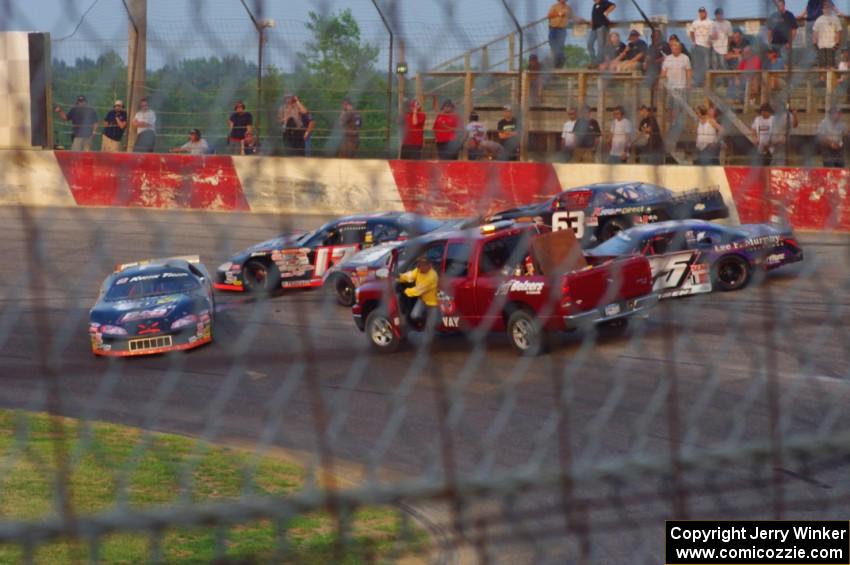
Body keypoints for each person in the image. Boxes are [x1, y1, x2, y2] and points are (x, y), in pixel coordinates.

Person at [398, 257, 439, 325]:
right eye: (420, 264)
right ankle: (422, 323)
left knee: (431, 324)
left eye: (424, 264)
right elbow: (410, 276)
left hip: (432, 303)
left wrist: (405, 291)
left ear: (429, 265)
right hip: (422, 299)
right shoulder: (418, 270)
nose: (421, 266)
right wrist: (399, 277)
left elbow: (418, 290)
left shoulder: (432, 276)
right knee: (414, 316)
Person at [688, 7, 713, 86]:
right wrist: (693, 41)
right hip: (697, 46)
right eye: (700, 12)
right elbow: (691, 32)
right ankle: (697, 82)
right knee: (696, 64)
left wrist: (710, 41)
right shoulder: (695, 22)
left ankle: (706, 82)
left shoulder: (710, 22)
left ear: (706, 13)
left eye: (703, 12)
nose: (702, 13)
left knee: (706, 64)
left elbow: (713, 33)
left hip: (706, 46)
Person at [767, 0, 798, 65]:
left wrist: (790, 42)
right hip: (774, 45)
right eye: (778, 6)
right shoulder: (773, 16)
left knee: (785, 63)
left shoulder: (789, 15)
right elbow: (769, 31)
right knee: (773, 63)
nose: (779, 7)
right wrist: (769, 44)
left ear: (784, 5)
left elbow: (794, 30)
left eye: (780, 6)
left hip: (785, 45)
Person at [813, 3, 842, 69]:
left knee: (831, 67)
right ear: (822, 10)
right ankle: (822, 79)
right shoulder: (818, 20)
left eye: (828, 8)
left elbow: (839, 32)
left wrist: (837, 44)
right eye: (825, 8)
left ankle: (830, 79)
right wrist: (815, 44)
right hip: (821, 46)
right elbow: (815, 33)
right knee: (821, 66)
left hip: (831, 46)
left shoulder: (835, 19)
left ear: (831, 9)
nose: (826, 9)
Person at [547, 0, 575, 69]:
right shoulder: (554, 6)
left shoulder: (568, 7)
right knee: (552, 44)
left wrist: (583, 21)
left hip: (562, 29)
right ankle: (560, 60)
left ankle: (558, 64)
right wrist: (559, 14)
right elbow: (549, 15)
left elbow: (572, 16)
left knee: (560, 46)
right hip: (553, 28)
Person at [588, 0, 616, 67]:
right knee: (589, 43)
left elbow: (613, 5)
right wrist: (592, 20)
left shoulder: (604, 2)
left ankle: (598, 62)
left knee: (600, 44)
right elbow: (595, 14)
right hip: (594, 28)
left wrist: (607, 12)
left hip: (602, 26)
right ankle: (594, 61)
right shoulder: (595, 5)